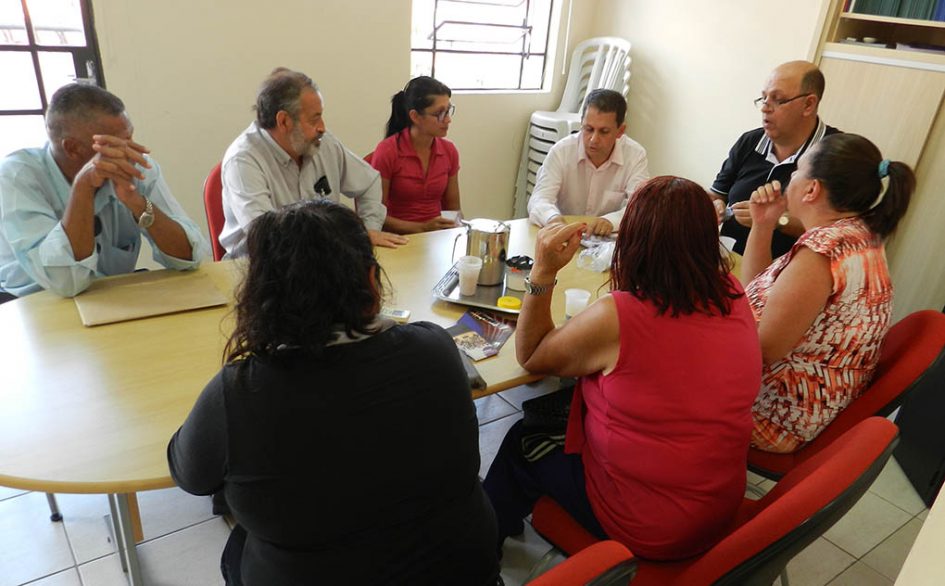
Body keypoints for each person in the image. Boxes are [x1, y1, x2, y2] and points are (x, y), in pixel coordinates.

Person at [167, 200, 499, 585]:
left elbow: (190, 475)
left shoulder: (238, 392)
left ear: (259, 299)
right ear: (372, 283)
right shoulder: (436, 348)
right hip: (463, 572)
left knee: (240, 546)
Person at [485, 176, 761, 560]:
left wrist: (542, 273)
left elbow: (531, 355)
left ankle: (480, 551)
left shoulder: (621, 315)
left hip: (649, 526)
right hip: (717, 505)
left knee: (523, 440)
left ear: (632, 240)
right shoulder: (732, 291)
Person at [743, 133, 915, 453]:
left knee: (659, 358)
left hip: (775, 415)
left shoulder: (823, 251)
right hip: (811, 404)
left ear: (812, 189)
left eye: (797, 171)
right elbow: (760, 290)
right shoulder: (858, 234)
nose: (790, 177)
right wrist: (763, 224)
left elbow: (764, 347)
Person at [0, 83, 208, 299]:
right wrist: (83, 188)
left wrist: (136, 202)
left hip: (110, 297)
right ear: (72, 148)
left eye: (130, 138)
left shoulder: (137, 168)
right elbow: (66, 283)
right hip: (33, 303)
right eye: (116, 144)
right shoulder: (17, 176)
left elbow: (189, 257)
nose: (131, 151)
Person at [218, 68, 407, 257]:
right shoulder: (243, 160)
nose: (322, 127)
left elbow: (370, 182)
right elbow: (268, 239)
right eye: (314, 119)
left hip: (325, 260)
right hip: (262, 269)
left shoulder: (324, 144)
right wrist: (346, 238)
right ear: (283, 121)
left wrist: (368, 230)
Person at [710, 60, 840, 257]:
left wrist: (776, 221)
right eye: (763, 98)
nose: (765, 108)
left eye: (777, 99)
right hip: (728, 260)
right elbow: (717, 193)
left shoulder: (835, 154)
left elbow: (838, 235)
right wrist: (715, 205)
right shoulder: (750, 140)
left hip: (788, 274)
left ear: (808, 104)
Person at [527, 89, 649, 236]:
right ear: (581, 124)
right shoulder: (562, 151)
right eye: (588, 129)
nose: (593, 140)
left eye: (604, 131)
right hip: (563, 237)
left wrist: (610, 221)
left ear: (620, 131)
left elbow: (640, 207)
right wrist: (552, 219)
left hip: (607, 245)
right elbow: (539, 199)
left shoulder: (635, 155)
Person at [370, 76, 462, 234]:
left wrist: (456, 229)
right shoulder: (388, 151)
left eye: (449, 111)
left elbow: (454, 210)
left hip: (436, 237)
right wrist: (422, 228)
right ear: (415, 116)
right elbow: (375, 216)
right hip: (398, 239)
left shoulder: (449, 151)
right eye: (440, 114)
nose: (447, 120)